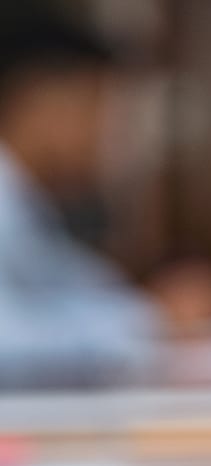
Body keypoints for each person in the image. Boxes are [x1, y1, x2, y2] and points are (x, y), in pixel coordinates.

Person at [0, 5, 166, 388]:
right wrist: (148, 323)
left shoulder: (28, 202)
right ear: (42, 101)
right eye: (98, 109)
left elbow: (78, 287)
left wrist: (148, 312)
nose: (110, 136)